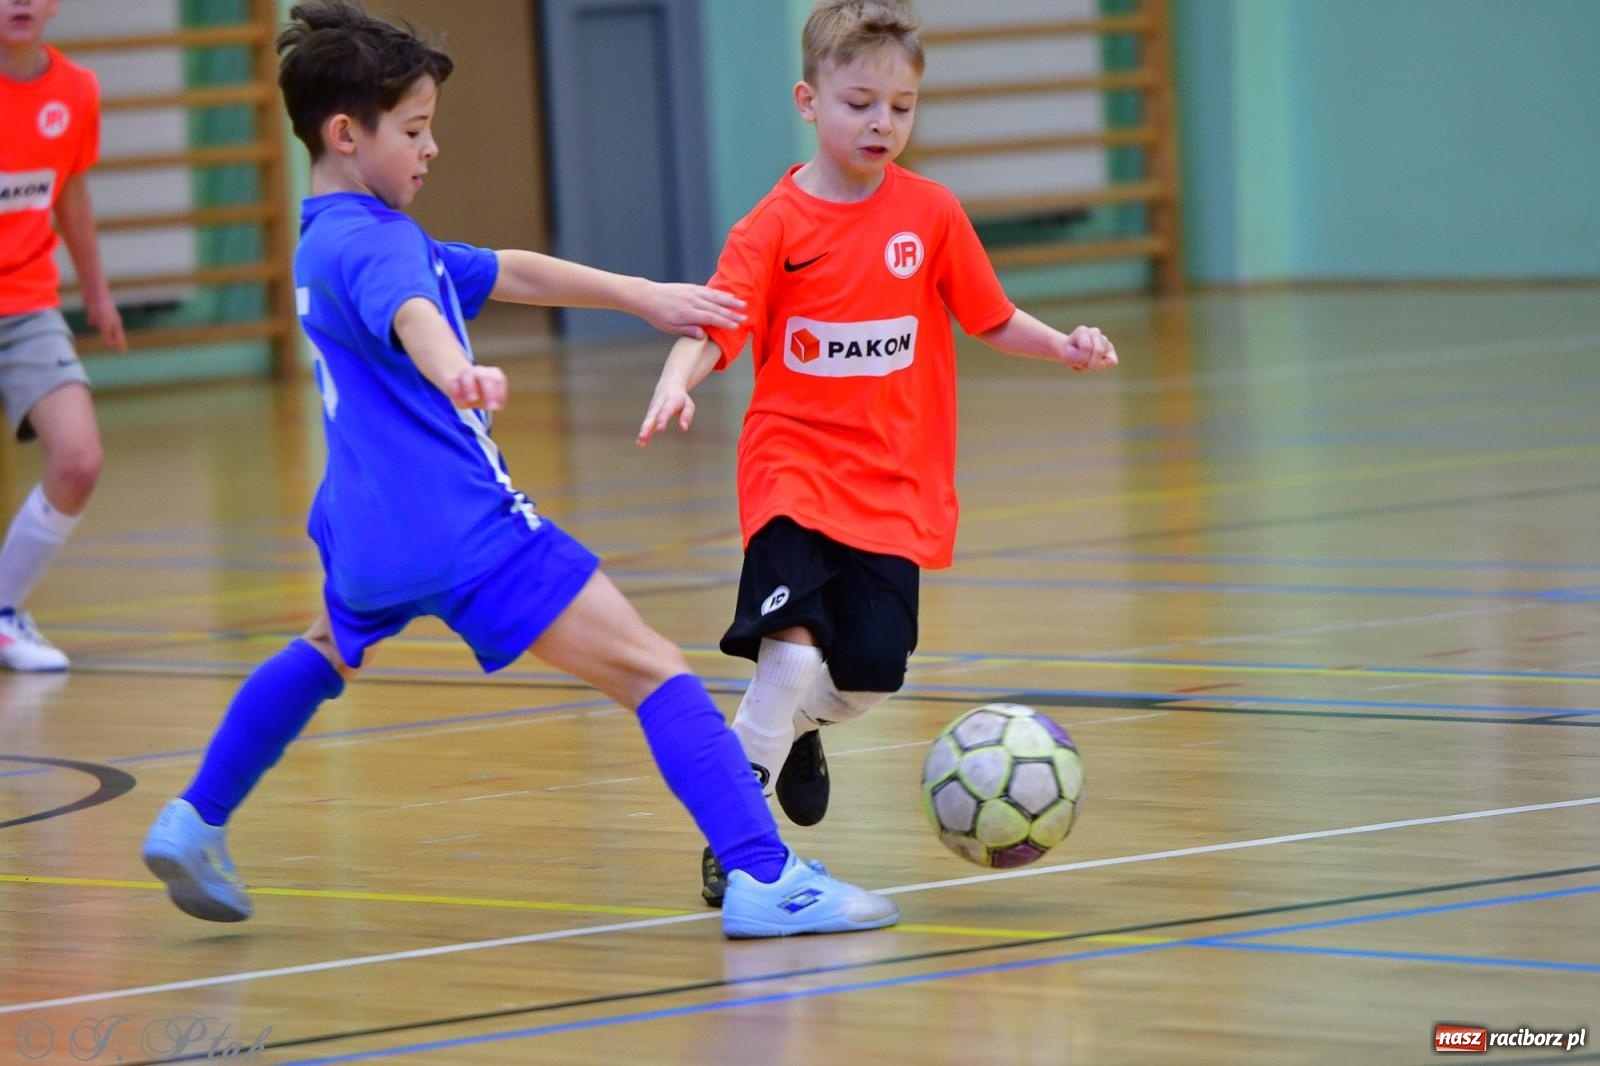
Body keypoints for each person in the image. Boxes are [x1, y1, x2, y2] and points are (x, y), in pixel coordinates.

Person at [140, 0, 898, 940]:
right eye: (413, 129)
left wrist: (641, 296)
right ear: (344, 134)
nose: (431, 148)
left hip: (366, 535)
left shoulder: (330, 235)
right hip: (464, 530)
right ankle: (764, 875)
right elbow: (415, 312)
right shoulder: (380, 245)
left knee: (322, 649)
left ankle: (195, 817)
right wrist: (453, 371)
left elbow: (507, 271)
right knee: (654, 671)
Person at [637, 0, 1118, 906]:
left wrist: (1062, 345)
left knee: (869, 675)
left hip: (894, 484)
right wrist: (677, 378)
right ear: (809, 101)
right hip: (792, 469)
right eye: (860, 103)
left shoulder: (930, 214)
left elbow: (990, 315)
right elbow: (717, 323)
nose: (881, 123)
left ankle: (795, 730)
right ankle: (737, 837)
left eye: (901, 107)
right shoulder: (772, 226)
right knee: (788, 656)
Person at [0, 0, 126, 672]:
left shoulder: (75, 91)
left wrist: (97, 294)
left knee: (78, 460)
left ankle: (2, 611)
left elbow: (72, 196)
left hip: (26, 307)